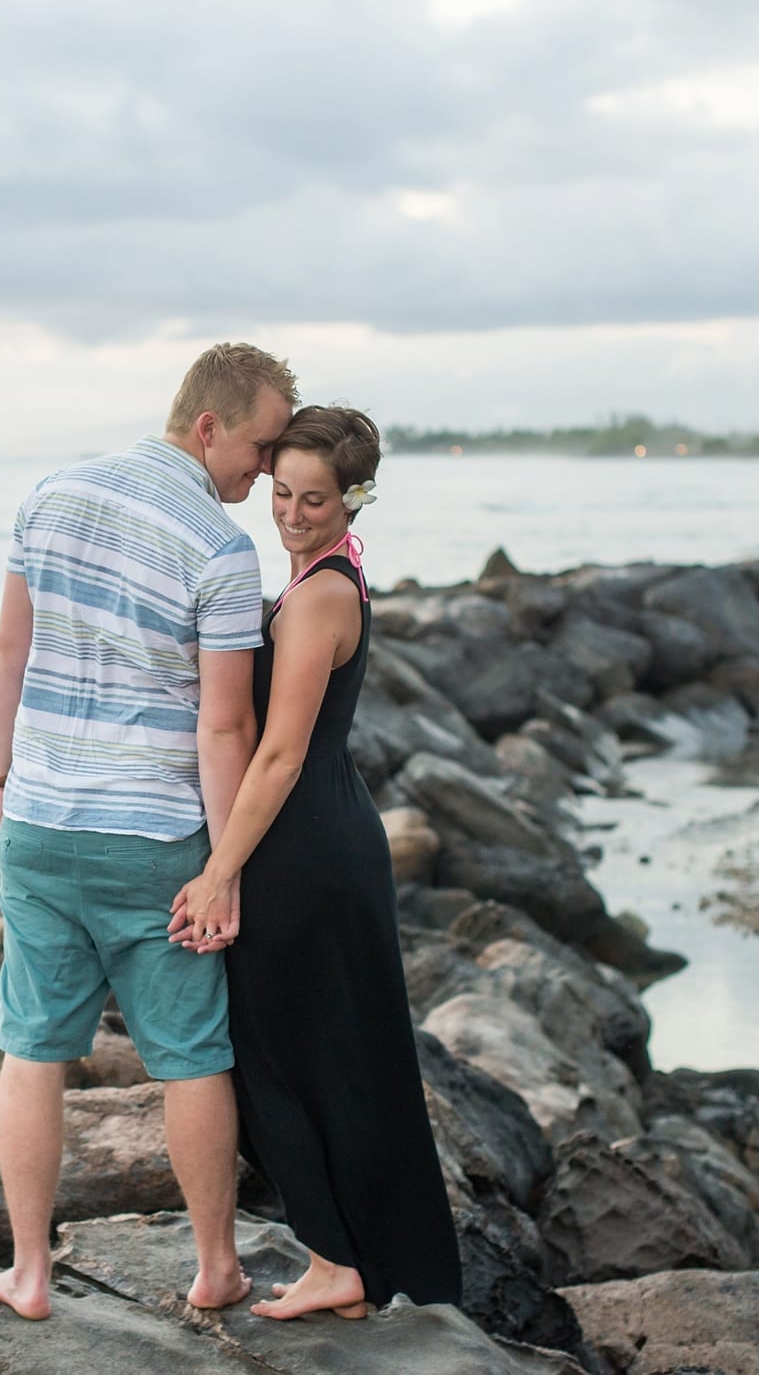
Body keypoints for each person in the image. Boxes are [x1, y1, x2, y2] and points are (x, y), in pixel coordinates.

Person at [0, 342, 299, 1321]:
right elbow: (224, 724)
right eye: (260, 443)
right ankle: (216, 1267)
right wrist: (227, 863)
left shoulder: (51, 496)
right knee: (193, 1053)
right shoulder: (219, 549)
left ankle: (28, 1273)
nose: (269, 467)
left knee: (32, 1045)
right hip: (155, 836)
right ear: (207, 426)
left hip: (38, 818)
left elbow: (8, 650)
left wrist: (2, 786)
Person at [168, 405, 462, 1320]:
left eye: (316, 500)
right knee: (340, 1052)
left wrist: (220, 870)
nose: (291, 514)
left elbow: (281, 755)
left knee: (278, 1055)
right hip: (326, 839)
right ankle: (361, 1258)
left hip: (303, 851)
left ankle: (340, 1259)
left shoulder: (322, 595)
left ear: (355, 500)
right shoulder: (324, 576)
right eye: (283, 493)